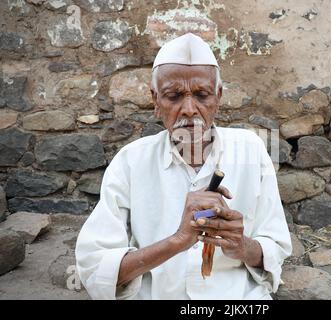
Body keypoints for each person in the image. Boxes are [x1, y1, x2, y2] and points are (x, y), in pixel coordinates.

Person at [75, 33, 292, 300]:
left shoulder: (251, 150)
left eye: (202, 95)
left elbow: (275, 249)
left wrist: (240, 245)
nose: (189, 109)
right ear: (155, 100)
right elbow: (96, 268)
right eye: (174, 96)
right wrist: (177, 241)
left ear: (218, 96)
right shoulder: (131, 161)